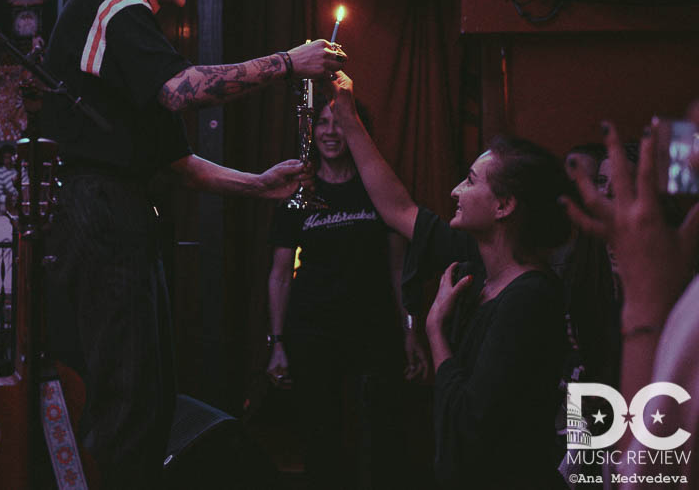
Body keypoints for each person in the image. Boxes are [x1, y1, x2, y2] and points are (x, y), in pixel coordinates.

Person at [40, 0, 346, 489]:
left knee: (148, 396)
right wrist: (289, 62)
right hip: (97, 209)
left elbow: (173, 161)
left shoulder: (137, 31)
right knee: (125, 397)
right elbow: (183, 90)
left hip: (120, 208)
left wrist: (258, 185)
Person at [325, 71, 572, 489]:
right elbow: (398, 209)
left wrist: (435, 331)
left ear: (505, 205)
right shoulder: (478, 262)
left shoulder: (528, 299)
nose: (456, 190)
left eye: (472, 181)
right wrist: (348, 116)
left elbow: (471, 422)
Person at [265, 96, 424, 487]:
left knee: (384, 434)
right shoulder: (297, 194)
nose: (330, 132)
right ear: (311, 131)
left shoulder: (377, 187)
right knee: (322, 437)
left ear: (357, 131)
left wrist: (410, 331)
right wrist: (278, 342)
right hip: (313, 331)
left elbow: (399, 267)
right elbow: (280, 275)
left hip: (375, 329)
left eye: (340, 123)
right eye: (322, 123)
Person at [564, 113, 699, 488]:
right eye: (603, 182)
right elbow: (585, 380)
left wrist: (644, 306)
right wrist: (581, 470)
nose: (608, 196)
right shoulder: (586, 271)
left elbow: (648, 475)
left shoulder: (670, 289)